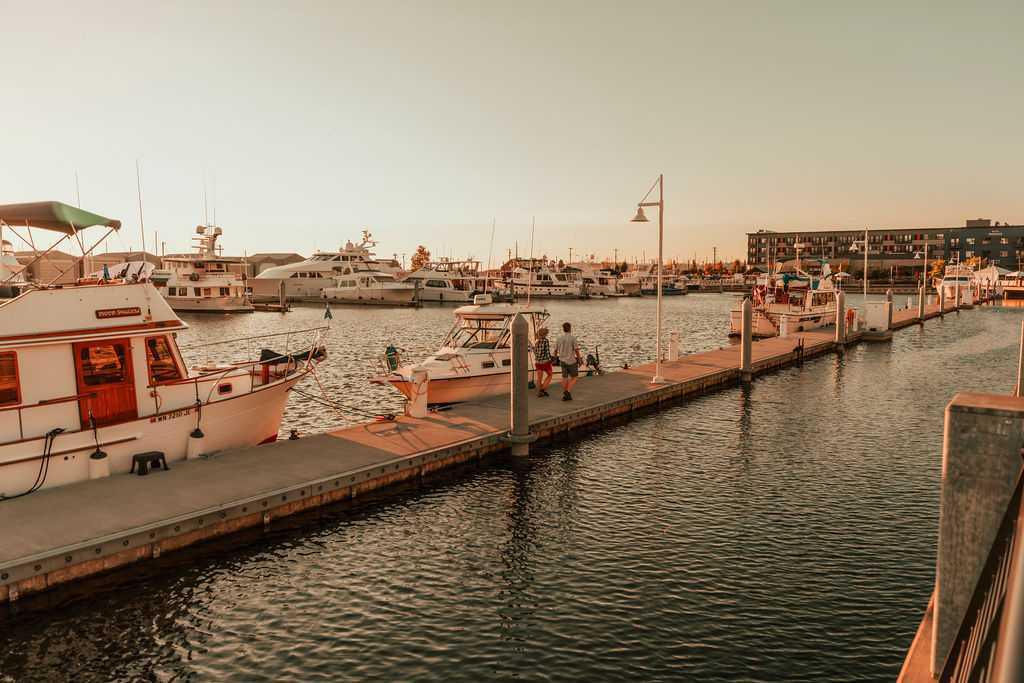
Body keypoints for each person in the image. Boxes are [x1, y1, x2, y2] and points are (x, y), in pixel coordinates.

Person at [553, 321, 581, 401]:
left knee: (564, 377)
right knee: (575, 377)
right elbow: (576, 350)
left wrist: (555, 359)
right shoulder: (573, 338)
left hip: (562, 361)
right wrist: (579, 360)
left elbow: (555, 350)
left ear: (563, 329)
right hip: (571, 361)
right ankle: (567, 391)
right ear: (570, 328)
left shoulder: (559, 338)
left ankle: (566, 395)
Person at [532, 327, 553, 397]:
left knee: (539, 378)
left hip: (537, 362)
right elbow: (547, 351)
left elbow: (535, 351)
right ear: (544, 334)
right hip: (545, 362)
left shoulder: (536, 341)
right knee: (550, 375)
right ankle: (542, 390)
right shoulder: (545, 341)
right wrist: (550, 360)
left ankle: (539, 392)